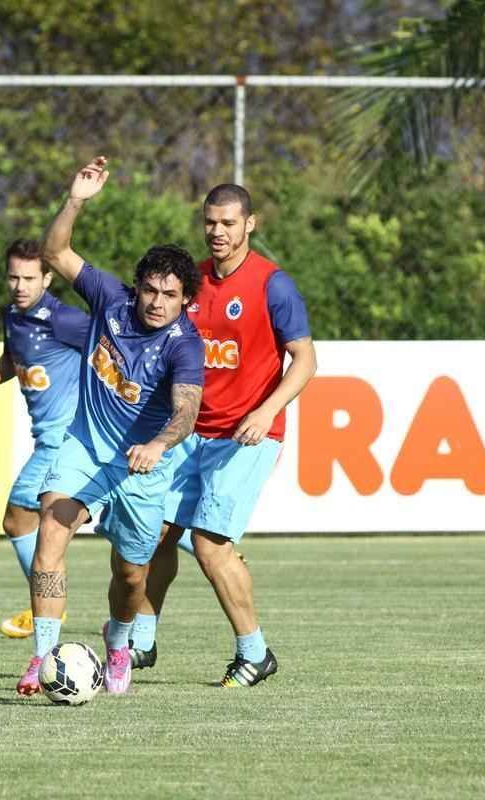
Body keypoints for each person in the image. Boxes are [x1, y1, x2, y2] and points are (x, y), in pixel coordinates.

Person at [15, 156, 204, 697]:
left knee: (131, 577)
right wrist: (75, 200)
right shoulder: (110, 298)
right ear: (138, 286)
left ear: (185, 299)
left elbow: (187, 410)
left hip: (142, 467)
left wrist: (158, 442)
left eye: (170, 295)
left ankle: (118, 643)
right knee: (52, 528)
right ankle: (43, 657)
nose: (157, 302)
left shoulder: (185, 344)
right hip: (84, 449)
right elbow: (55, 253)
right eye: (150, 289)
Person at [134, 183, 316, 687]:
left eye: (229, 223)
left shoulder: (272, 285)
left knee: (210, 545)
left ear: (249, 225)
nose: (218, 232)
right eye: (210, 222)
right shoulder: (190, 281)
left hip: (246, 436)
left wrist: (266, 411)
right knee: (156, 531)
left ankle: (255, 653)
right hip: (192, 433)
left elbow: (306, 359)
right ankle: (142, 642)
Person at [0, 239, 90, 639]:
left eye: (29, 278)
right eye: (13, 277)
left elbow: (112, 345)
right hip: (48, 440)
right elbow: (14, 355)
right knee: (130, 528)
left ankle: (49, 608)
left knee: (17, 519)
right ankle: (48, 605)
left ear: (47, 278)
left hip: (65, 441)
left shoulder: (64, 320)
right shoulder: (14, 315)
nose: (20, 286)